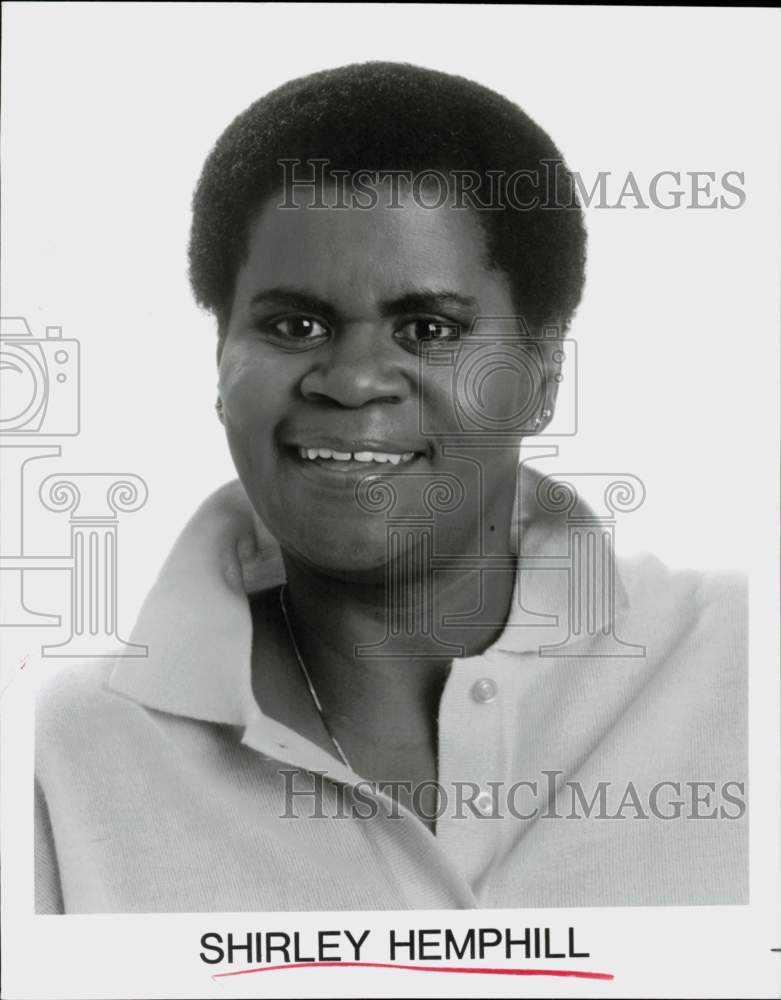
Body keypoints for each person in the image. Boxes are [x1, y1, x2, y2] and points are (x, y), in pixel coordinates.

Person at [35, 62, 747, 914]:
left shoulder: (742, 667)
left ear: (543, 373)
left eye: (427, 328)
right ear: (220, 357)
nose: (353, 380)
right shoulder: (61, 759)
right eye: (294, 325)